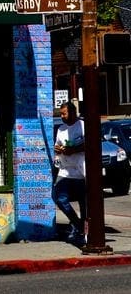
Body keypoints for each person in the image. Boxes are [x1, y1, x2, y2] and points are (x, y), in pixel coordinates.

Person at [53, 101, 86, 246]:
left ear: (72, 112)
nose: (62, 116)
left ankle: (84, 233)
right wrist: (59, 149)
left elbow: (90, 143)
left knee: (84, 204)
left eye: (64, 113)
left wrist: (74, 149)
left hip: (81, 171)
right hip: (65, 170)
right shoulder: (61, 129)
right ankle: (77, 224)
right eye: (60, 114)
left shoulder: (82, 126)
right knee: (59, 198)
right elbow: (57, 145)